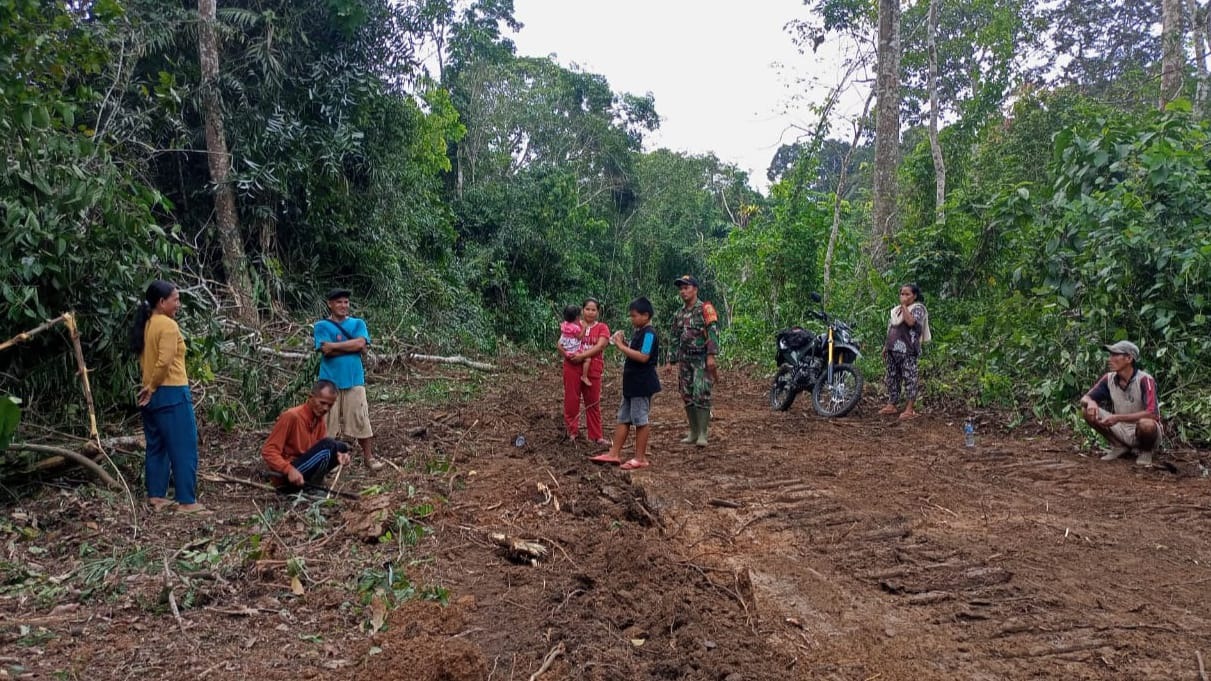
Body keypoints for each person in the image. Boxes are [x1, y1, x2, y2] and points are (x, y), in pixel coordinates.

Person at [132, 280, 205, 514]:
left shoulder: (147, 323)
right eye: (175, 299)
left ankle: (157, 496)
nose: (179, 304)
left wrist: (149, 388)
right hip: (170, 391)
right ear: (162, 302)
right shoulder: (168, 326)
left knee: (157, 446)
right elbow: (164, 361)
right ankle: (187, 501)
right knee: (184, 446)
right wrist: (153, 386)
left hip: (150, 393)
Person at [313, 288, 381, 470]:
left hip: (354, 380)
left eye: (346, 302)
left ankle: (369, 458)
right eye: (339, 302)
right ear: (330, 304)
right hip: (329, 381)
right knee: (327, 423)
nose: (343, 306)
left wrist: (336, 346)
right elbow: (324, 349)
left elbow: (360, 343)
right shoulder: (321, 326)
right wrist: (352, 346)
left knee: (361, 418)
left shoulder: (358, 323)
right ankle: (329, 461)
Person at [591, 298, 661, 470]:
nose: (632, 319)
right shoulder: (639, 331)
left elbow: (643, 356)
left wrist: (622, 346)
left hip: (642, 384)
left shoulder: (649, 333)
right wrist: (624, 343)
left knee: (640, 420)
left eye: (634, 316)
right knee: (623, 418)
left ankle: (640, 457)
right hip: (631, 384)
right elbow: (636, 352)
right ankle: (614, 453)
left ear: (646, 315)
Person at [1079, 341, 1162, 466]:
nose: (1109, 359)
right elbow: (1084, 398)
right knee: (1086, 410)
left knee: (1146, 423)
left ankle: (1146, 451)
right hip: (1121, 428)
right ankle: (1118, 446)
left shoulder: (1145, 379)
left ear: (1129, 358)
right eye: (1110, 355)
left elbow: (1152, 413)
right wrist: (1091, 402)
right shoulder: (1109, 378)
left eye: (1115, 355)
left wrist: (1117, 418)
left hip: (1144, 430)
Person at [262, 380, 352, 491]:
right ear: (310, 397)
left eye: (330, 405)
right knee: (329, 444)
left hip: (304, 469)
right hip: (288, 475)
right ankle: (305, 487)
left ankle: (310, 485)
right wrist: (288, 469)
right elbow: (268, 450)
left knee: (341, 447)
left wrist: (338, 456)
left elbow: (318, 451)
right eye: (322, 403)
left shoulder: (319, 421)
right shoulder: (291, 416)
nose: (325, 409)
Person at [670, 275, 720, 447]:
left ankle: (702, 434)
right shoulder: (679, 313)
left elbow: (713, 332)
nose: (683, 291)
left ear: (695, 289)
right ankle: (693, 431)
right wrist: (671, 360)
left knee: (702, 393)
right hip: (685, 358)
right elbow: (675, 337)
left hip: (701, 358)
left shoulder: (705, 309)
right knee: (687, 394)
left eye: (686, 287)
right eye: (681, 289)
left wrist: (711, 355)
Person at [562, 297, 611, 444]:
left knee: (593, 403)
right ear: (582, 310)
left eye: (593, 309)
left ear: (598, 311)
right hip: (572, 367)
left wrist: (582, 355)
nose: (590, 312)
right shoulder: (573, 324)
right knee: (571, 400)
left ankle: (596, 436)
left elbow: (600, 346)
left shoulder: (602, 327)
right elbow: (562, 342)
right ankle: (572, 433)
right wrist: (566, 354)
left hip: (593, 368)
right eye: (587, 309)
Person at [880, 283, 931, 420]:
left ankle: (909, 409)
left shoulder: (918, 309)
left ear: (914, 296)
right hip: (892, 349)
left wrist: (904, 306)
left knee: (910, 378)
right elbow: (891, 328)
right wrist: (886, 346)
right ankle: (892, 404)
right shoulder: (895, 310)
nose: (903, 297)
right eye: (902, 294)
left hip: (907, 350)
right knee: (892, 377)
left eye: (907, 294)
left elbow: (911, 323)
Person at [558, 305, 592, 387]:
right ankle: (584, 376)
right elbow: (579, 337)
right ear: (577, 317)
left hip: (566, 349)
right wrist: (584, 328)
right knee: (587, 359)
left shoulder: (564, 325)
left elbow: (561, 341)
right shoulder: (575, 328)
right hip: (574, 350)